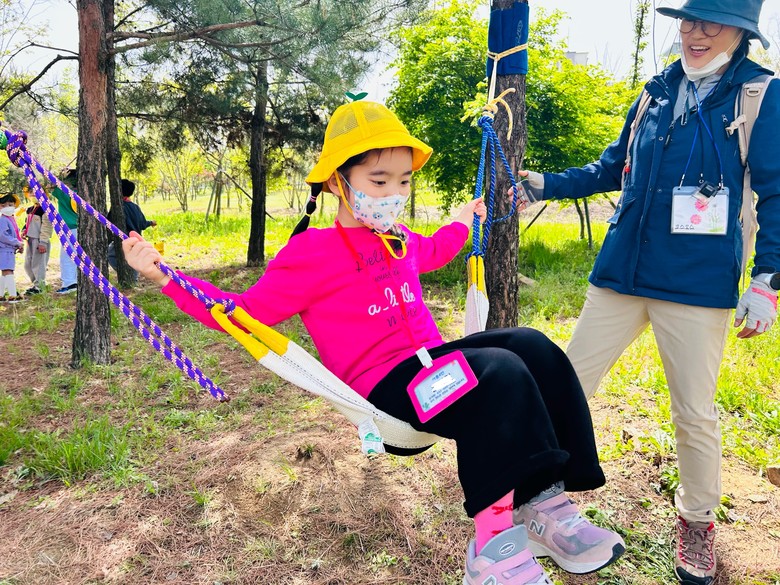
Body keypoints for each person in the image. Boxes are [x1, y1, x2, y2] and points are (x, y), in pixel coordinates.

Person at [123, 100, 625, 584]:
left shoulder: (397, 237)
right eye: (379, 181)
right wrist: (165, 277)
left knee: (533, 346)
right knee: (500, 373)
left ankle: (544, 504)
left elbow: (435, 250)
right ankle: (493, 552)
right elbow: (243, 312)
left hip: (434, 365)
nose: (392, 193)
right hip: (388, 388)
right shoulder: (311, 253)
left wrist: (463, 221)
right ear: (338, 182)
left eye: (403, 181)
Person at [514, 1, 779, 583]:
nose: (694, 33)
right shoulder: (655, 91)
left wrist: (767, 279)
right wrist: (543, 184)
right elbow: (613, 168)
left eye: (710, 22)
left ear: (740, 32)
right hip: (622, 273)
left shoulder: (760, 95)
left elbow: (777, 191)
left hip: (696, 283)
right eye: (687, 20)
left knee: (693, 412)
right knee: (566, 384)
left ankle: (697, 524)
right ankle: (538, 500)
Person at [107, 178, 156, 281]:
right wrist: (150, 223)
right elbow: (142, 224)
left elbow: (109, 223)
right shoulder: (135, 207)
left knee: (110, 254)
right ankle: (132, 279)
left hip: (123, 241)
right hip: (136, 241)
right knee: (134, 259)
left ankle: (127, 275)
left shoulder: (117, 208)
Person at [51, 168, 79, 294]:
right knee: (78, 255)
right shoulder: (82, 194)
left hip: (69, 229)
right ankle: (75, 280)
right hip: (81, 228)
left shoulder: (64, 193)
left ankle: (70, 283)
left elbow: (51, 184)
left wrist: (60, 176)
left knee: (67, 257)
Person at [21, 187, 53, 295]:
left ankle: (39, 286)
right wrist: (24, 230)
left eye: (36, 192)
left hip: (39, 240)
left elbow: (47, 227)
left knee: (38, 264)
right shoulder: (30, 209)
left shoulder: (45, 209)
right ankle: (36, 284)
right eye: (31, 192)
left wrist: (43, 242)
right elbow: (27, 222)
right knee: (27, 265)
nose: (33, 194)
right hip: (30, 239)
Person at [0, 193, 24, 303]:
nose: (7, 207)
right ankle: (13, 295)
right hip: (5, 249)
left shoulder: (11, 219)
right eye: (3, 205)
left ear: (15, 205)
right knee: (8, 271)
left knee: (5, 272)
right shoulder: (3, 220)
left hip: (8, 249)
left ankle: (1, 295)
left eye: (10, 204)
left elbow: (15, 234)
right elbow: (3, 235)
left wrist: (18, 244)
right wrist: (16, 243)